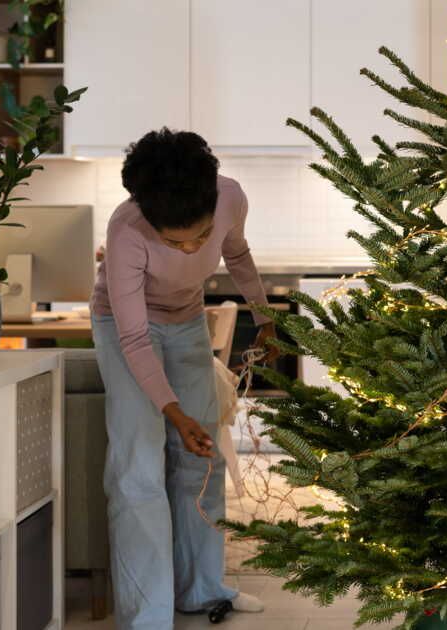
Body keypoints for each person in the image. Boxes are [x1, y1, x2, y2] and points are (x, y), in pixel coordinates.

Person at [90, 128, 275, 628]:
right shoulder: (127, 230)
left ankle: (203, 589)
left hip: (187, 318)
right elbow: (133, 340)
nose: (194, 250)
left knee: (202, 458)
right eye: (178, 242)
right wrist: (172, 411)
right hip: (125, 326)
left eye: (200, 235)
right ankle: (147, 617)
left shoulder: (230, 196)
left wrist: (265, 316)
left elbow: (235, 253)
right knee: (137, 469)